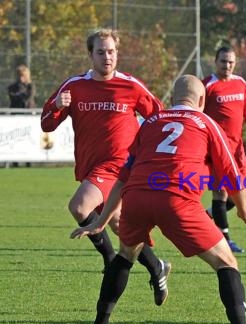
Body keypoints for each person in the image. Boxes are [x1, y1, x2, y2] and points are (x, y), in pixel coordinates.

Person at [70, 75, 246, 324]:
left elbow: (123, 177)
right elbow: (232, 175)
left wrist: (101, 219)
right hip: (177, 200)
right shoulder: (207, 122)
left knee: (125, 256)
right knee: (226, 261)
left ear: (172, 98)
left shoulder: (149, 122)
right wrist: (244, 211)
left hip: (136, 197)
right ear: (203, 100)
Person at [41, 28, 171, 306]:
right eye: (101, 52)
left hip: (118, 166)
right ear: (90, 55)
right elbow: (47, 124)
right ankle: (157, 267)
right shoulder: (74, 86)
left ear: (117, 53)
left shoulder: (131, 85)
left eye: (111, 52)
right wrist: (55, 104)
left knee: (79, 207)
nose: (107, 57)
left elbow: (159, 117)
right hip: (90, 166)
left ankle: (111, 259)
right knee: (120, 225)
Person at [202, 46, 246, 253]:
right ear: (215, 62)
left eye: (230, 62)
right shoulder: (207, 85)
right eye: (223, 61)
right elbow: (197, 114)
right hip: (216, 149)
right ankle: (225, 239)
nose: (227, 65)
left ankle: (209, 214)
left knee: (240, 192)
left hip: (237, 149)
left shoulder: (240, 83)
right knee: (220, 194)